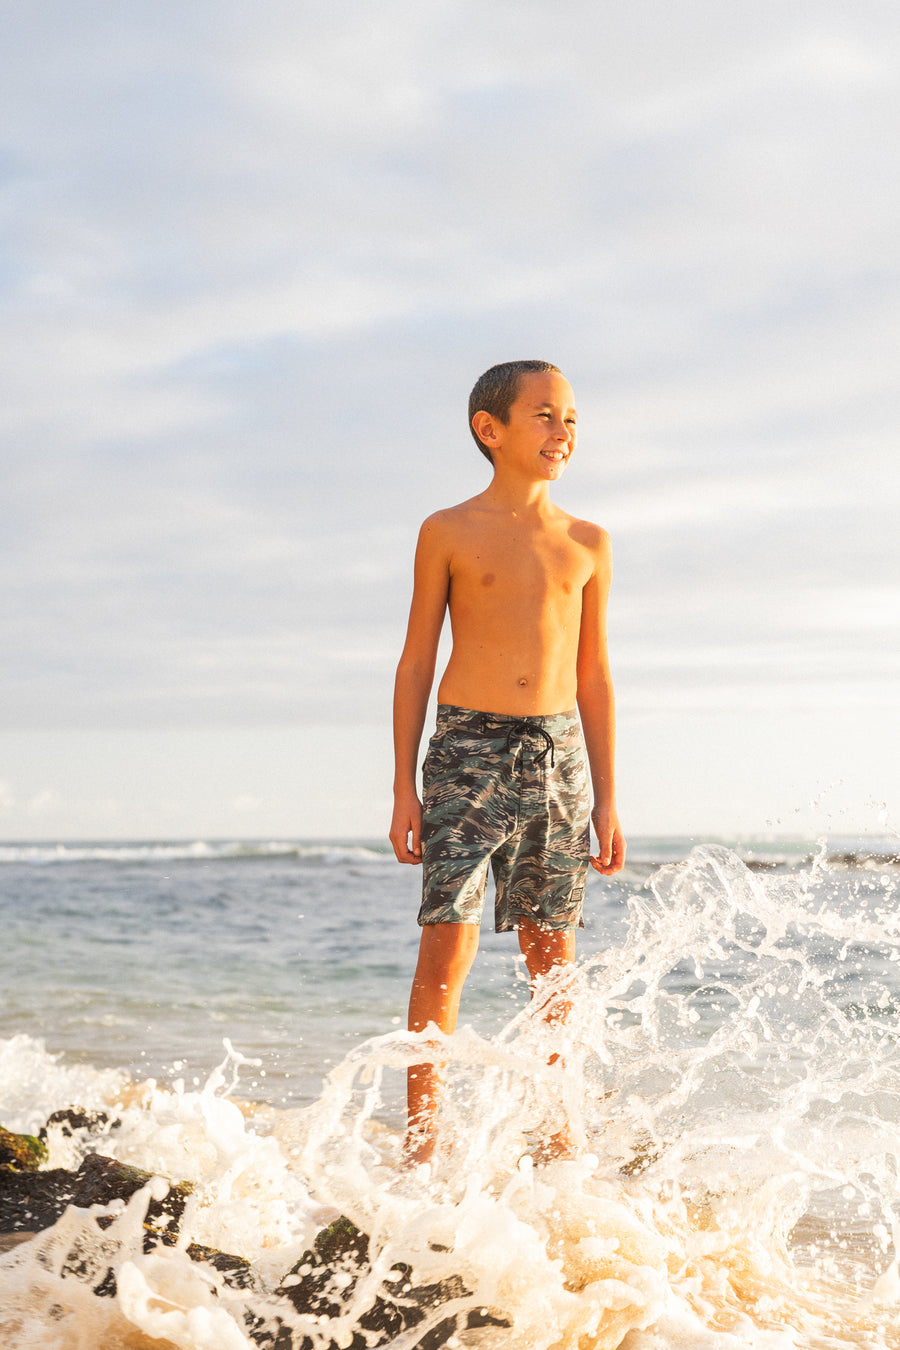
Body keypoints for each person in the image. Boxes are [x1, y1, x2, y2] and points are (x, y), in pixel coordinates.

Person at [389, 359, 625, 1165]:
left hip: (559, 757)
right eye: (544, 416)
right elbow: (417, 659)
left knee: (551, 956)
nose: (562, 432)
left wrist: (609, 799)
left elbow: (593, 675)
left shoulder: (587, 542)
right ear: (490, 429)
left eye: (571, 420)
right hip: (465, 749)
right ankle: (422, 1140)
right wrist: (402, 788)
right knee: (445, 944)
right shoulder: (447, 530)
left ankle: (559, 1133)